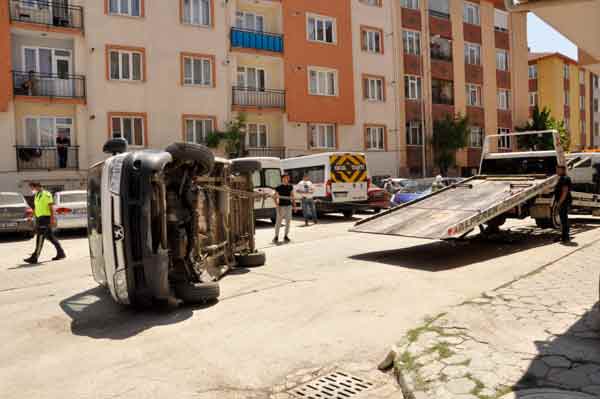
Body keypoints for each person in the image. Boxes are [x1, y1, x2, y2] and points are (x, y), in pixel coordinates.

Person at [24, 182, 66, 264]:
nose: (32, 190)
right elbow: (36, 207)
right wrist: (31, 216)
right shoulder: (36, 195)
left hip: (45, 218)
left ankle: (35, 257)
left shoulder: (46, 194)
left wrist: (52, 219)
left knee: (40, 237)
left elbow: (50, 207)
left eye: (33, 188)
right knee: (50, 237)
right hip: (39, 219)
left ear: (38, 187)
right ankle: (61, 253)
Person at [273, 174, 296, 244]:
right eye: (286, 178)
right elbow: (274, 197)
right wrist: (277, 206)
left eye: (288, 178)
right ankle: (276, 236)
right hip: (281, 206)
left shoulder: (290, 186)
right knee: (278, 222)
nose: (287, 179)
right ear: (282, 179)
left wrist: (294, 206)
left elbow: (292, 196)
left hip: (288, 206)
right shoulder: (278, 187)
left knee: (288, 222)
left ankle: (286, 236)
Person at [554, 165, 572, 243]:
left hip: (564, 202)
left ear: (563, 170)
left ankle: (565, 237)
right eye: (556, 169)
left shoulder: (565, 179)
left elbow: (565, 192)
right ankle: (564, 236)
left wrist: (559, 203)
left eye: (558, 170)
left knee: (564, 220)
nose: (557, 171)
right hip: (563, 202)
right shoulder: (561, 178)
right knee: (563, 219)